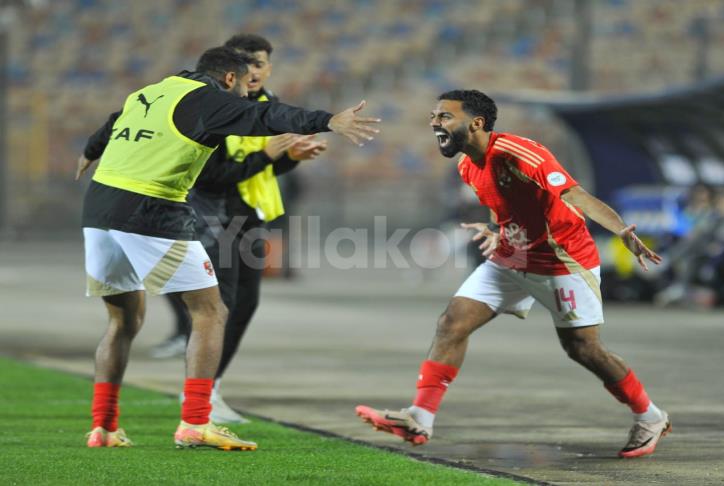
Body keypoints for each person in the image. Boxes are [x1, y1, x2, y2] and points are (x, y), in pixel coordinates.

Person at [77, 45, 380, 450]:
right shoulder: (208, 98)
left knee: (123, 322)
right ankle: (196, 421)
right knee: (210, 311)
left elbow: (114, 122)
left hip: (99, 208)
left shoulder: (153, 91)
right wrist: (328, 121)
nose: (239, 100)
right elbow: (265, 116)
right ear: (231, 79)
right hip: (150, 208)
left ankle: (103, 427)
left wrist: (89, 150)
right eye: (239, 90)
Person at [355, 90, 670, 459]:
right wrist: (496, 229)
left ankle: (650, 416)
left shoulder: (521, 153)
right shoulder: (466, 166)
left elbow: (574, 194)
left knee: (583, 349)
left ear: (475, 123)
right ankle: (420, 418)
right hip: (511, 257)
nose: (434, 123)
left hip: (562, 262)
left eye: (443, 116)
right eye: (433, 116)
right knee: (452, 323)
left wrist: (620, 231)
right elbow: (503, 206)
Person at [150, 33, 328, 423]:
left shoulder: (270, 106)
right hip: (214, 218)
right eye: (245, 63)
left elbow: (271, 167)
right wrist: (267, 155)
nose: (253, 71)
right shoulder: (214, 108)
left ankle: (209, 389)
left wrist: (291, 157)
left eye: (260, 63)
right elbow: (212, 177)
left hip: (250, 218)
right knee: (218, 308)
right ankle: (199, 396)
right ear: (231, 70)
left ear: (268, 68)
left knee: (245, 305)